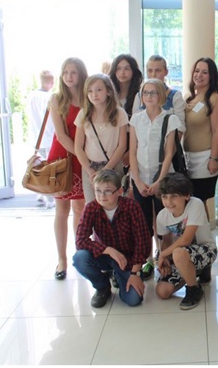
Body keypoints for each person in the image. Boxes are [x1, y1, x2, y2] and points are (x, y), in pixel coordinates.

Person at [73, 169, 151, 308]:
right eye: (98, 191)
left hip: (127, 260)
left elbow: (142, 242)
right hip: (104, 255)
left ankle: (119, 276)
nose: (102, 196)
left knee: (133, 299)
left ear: (119, 191)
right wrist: (109, 250)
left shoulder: (131, 206)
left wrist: (135, 273)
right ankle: (102, 287)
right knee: (80, 258)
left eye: (108, 191)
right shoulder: (91, 208)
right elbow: (80, 241)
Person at [129, 78, 182, 280]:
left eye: (153, 92)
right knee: (143, 223)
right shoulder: (136, 119)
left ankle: (164, 257)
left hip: (163, 179)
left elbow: (169, 152)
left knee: (163, 221)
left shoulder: (170, 119)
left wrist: (160, 181)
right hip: (140, 178)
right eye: (145, 92)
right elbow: (132, 151)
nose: (149, 96)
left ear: (161, 95)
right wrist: (137, 180)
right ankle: (148, 260)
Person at [48, 57, 88, 280]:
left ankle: (79, 255)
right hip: (62, 158)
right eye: (65, 72)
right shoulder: (56, 99)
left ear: (81, 74)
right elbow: (61, 136)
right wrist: (81, 156)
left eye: (73, 72)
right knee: (61, 210)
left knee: (80, 208)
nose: (69, 77)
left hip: (82, 156)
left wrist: (84, 157)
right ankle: (61, 260)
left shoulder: (88, 97)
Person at [155, 173, 218, 310]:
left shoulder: (195, 204)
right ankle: (194, 272)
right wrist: (165, 260)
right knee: (162, 291)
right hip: (180, 255)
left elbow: (186, 240)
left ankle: (193, 289)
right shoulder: (162, 216)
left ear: (186, 195)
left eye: (174, 196)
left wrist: (163, 254)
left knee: (178, 253)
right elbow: (166, 241)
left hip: (205, 249)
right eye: (165, 197)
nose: (168, 202)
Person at [74, 74, 128, 203]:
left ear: (108, 91)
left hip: (113, 166)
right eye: (90, 91)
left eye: (99, 90)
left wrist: (106, 169)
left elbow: (122, 146)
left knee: (114, 205)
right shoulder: (83, 114)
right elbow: (78, 147)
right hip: (90, 167)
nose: (94, 94)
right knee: (92, 206)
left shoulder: (119, 113)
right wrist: (89, 170)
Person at [183, 57, 218, 218]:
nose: (199, 75)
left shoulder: (214, 99)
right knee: (190, 201)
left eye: (204, 72)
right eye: (197, 71)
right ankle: (198, 231)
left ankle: (205, 232)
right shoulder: (189, 98)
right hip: (188, 157)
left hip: (205, 157)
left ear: (211, 76)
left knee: (199, 201)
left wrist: (213, 158)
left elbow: (217, 131)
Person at [109, 54, 143, 172]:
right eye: (118, 68)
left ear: (134, 71)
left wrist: (132, 150)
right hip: (112, 141)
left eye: (127, 68)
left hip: (133, 141)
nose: (122, 72)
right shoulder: (108, 95)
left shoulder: (140, 95)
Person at [27, 69, 55, 208]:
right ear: (52, 82)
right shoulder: (50, 97)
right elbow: (51, 121)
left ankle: (40, 193)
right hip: (48, 138)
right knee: (49, 170)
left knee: (39, 167)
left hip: (36, 138)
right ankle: (50, 199)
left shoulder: (31, 96)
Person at [145, 55, 186, 135]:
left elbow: (180, 128)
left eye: (158, 70)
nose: (153, 74)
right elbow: (135, 126)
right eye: (150, 71)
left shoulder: (175, 96)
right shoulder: (139, 96)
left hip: (168, 140)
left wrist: (170, 143)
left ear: (166, 72)